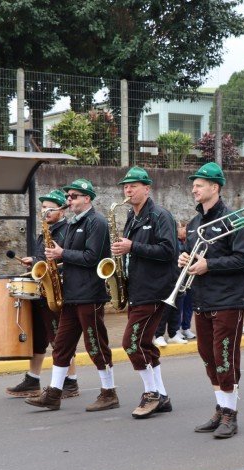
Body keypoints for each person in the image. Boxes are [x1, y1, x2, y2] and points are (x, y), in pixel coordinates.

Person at [27, 178, 117, 412]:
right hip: (71, 295)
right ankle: (54, 393)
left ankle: (109, 392)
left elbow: (91, 257)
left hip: (90, 294)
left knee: (95, 345)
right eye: (68, 197)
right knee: (61, 345)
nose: (69, 200)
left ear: (87, 199)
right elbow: (67, 259)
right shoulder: (71, 225)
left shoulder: (96, 222)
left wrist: (62, 253)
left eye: (74, 196)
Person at [180, 162, 244, 439]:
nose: (194, 188)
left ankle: (230, 415)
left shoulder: (233, 219)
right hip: (202, 298)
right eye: (194, 184)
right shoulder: (196, 222)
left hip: (228, 300)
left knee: (225, 358)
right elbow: (193, 256)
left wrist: (209, 265)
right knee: (208, 356)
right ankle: (221, 407)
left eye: (199, 184)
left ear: (215, 187)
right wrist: (186, 259)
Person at [111, 166, 178, 418]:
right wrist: (122, 251)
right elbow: (133, 249)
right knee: (144, 343)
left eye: (133, 186)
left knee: (131, 343)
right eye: (125, 186)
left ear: (147, 189)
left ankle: (152, 394)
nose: (128, 190)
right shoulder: (132, 216)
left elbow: (168, 251)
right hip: (137, 288)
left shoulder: (161, 216)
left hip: (154, 289)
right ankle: (161, 395)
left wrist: (133, 247)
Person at [5, 189, 79, 399]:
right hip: (40, 290)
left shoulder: (66, 231)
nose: (44, 211)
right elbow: (42, 258)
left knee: (60, 339)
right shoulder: (46, 229)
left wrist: (39, 262)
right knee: (38, 339)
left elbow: (63, 260)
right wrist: (33, 260)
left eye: (49, 207)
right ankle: (32, 379)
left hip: (55, 291)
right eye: (43, 207)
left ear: (61, 210)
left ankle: (70, 382)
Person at [154, 220, 194, 347]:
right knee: (164, 309)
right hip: (166, 278)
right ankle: (158, 335)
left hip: (178, 277)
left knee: (177, 307)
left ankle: (173, 333)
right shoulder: (167, 241)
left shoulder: (180, 243)